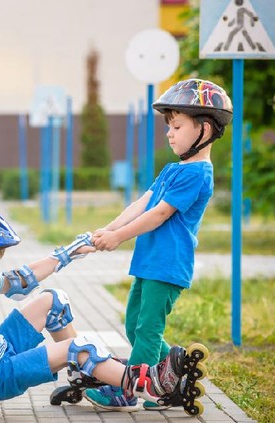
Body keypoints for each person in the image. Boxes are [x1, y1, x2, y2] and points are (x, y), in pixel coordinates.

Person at [0, 205, 199, 422]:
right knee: (78, 348)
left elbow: (21, 279)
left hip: (2, 348)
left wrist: (71, 252)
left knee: (52, 300)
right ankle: (144, 384)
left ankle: (87, 374)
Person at [84, 78, 232, 412]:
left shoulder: (198, 174)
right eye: (169, 126)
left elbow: (160, 215)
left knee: (148, 330)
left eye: (177, 126)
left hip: (168, 264)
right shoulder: (172, 169)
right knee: (135, 323)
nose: (170, 133)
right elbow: (143, 203)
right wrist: (106, 230)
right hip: (150, 261)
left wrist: (119, 238)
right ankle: (173, 372)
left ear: (205, 130)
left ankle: (129, 389)